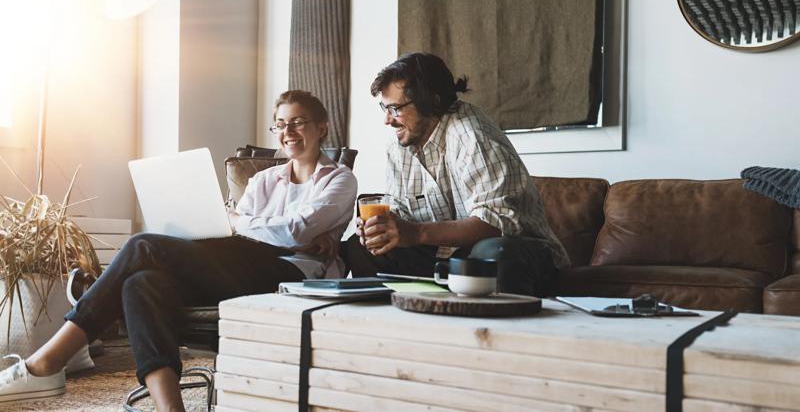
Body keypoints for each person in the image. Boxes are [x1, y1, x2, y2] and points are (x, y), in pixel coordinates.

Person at [0, 90, 357, 411]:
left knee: (143, 245)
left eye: (297, 122)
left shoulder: (339, 179)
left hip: (291, 275)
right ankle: (171, 409)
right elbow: (276, 231)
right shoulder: (264, 180)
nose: (288, 131)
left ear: (322, 127)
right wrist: (250, 225)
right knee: (140, 283)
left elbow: (294, 231)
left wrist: (240, 221)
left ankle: (47, 362)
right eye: (280, 124)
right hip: (239, 260)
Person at [347, 52, 569, 296]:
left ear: (431, 101)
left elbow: (495, 224)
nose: (388, 120)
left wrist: (415, 233)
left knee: (491, 254)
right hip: (449, 254)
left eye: (395, 109)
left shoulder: (471, 135)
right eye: (385, 108)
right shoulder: (400, 147)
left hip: (522, 253)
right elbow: (402, 210)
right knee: (360, 249)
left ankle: (491, 333)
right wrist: (385, 229)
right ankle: (396, 330)